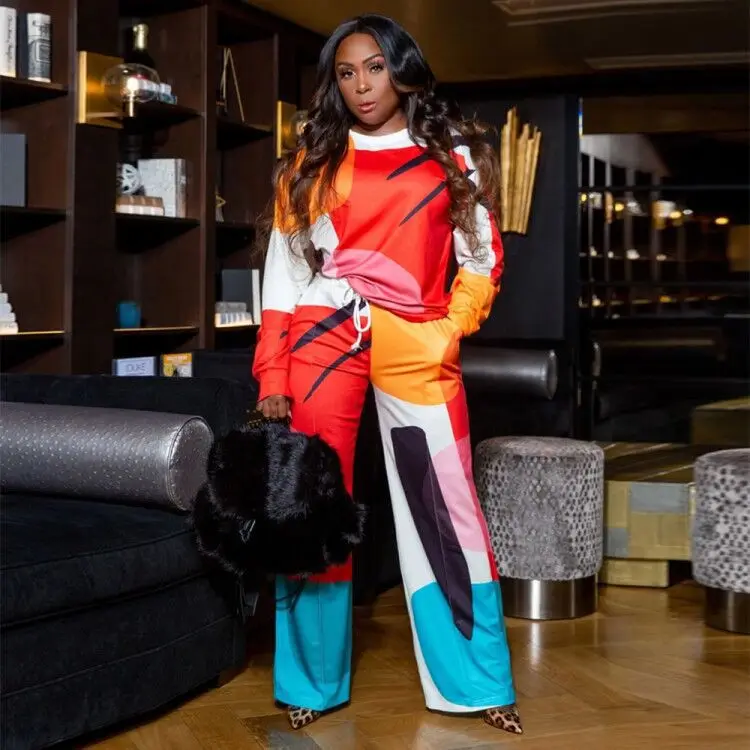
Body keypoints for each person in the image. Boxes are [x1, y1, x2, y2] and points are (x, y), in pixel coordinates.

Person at [252, 13, 522, 736]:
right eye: (347, 73)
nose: (362, 85)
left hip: (416, 342)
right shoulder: (312, 160)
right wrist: (272, 371)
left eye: (375, 67)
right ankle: (311, 683)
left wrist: (447, 330)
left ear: (401, 69)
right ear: (334, 84)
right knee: (312, 505)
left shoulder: (450, 156)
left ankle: (476, 682)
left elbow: (481, 258)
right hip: (319, 339)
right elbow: (283, 272)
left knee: (448, 508)